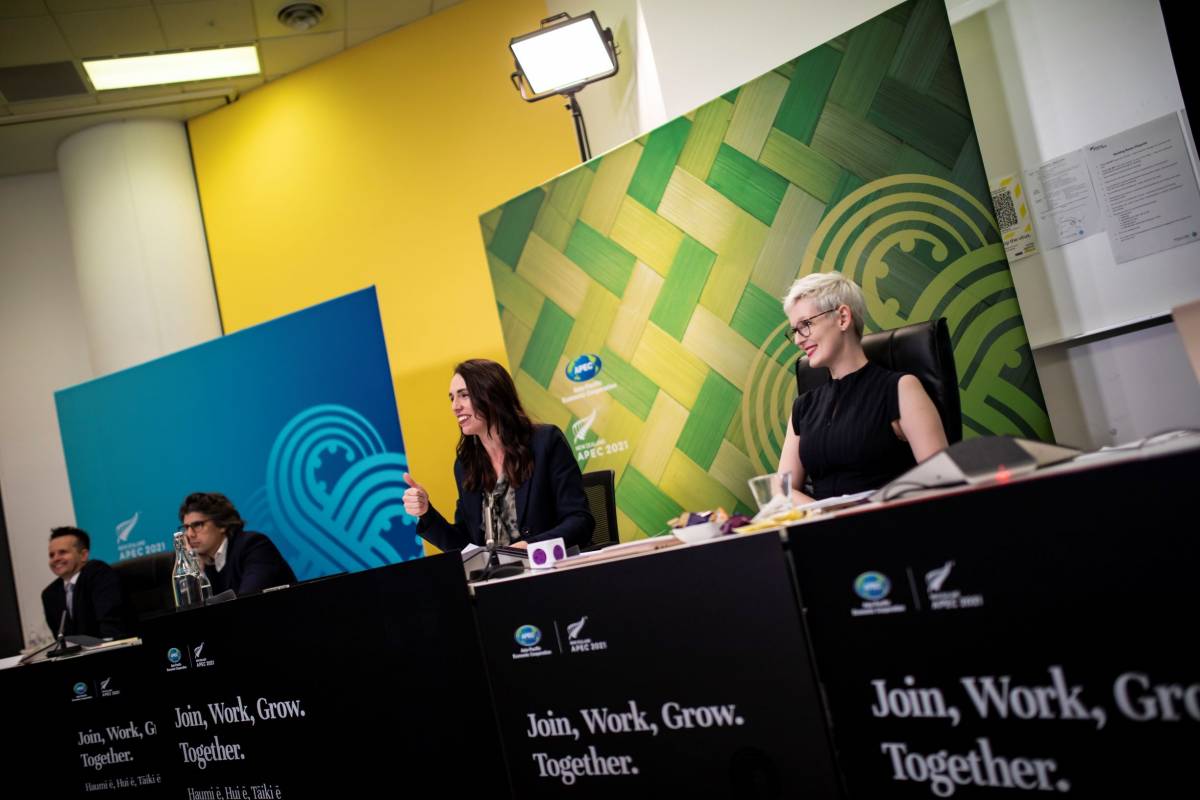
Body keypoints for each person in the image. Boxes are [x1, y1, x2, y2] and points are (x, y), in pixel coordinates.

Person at [780, 272, 948, 502]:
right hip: (823, 533)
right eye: (795, 330)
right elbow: (783, 491)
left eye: (806, 325)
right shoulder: (802, 408)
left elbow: (943, 483)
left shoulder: (901, 389)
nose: (798, 340)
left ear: (842, 318)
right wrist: (828, 516)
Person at [402, 358, 593, 552]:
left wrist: (529, 547)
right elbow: (466, 546)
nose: (455, 406)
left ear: (493, 396)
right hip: (499, 577)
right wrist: (426, 513)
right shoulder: (465, 465)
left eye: (464, 395)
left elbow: (579, 521)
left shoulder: (545, 442)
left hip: (550, 571)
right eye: (452, 398)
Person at [179, 492, 296, 596]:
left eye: (198, 525)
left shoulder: (254, 546)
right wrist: (198, 574)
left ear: (222, 524)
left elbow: (246, 603)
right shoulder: (203, 563)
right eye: (186, 527)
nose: (189, 534)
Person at [41, 526, 127, 639]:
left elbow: (111, 627)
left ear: (83, 555)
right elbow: (61, 640)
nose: (55, 559)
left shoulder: (98, 574)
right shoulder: (50, 594)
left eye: (62, 552)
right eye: (51, 555)